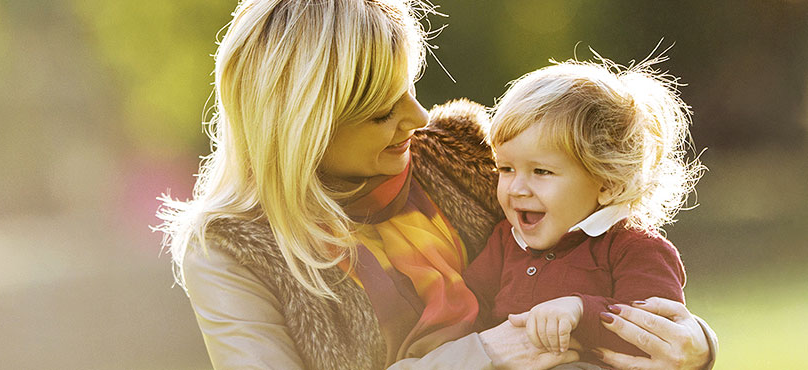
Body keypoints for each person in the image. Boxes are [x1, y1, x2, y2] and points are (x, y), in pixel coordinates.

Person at [156, 1, 718, 369]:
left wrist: (697, 346)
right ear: (305, 127)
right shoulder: (231, 249)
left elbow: (605, 261)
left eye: (411, 87)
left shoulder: (463, 154)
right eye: (382, 112)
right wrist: (484, 355)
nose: (418, 116)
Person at [462, 57, 706, 369]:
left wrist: (580, 310)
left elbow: (658, 339)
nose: (517, 188)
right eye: (506, 169)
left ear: (607, 183)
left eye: (541, 171)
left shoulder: (635, 249)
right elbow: (464, 311)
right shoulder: (504, 241)